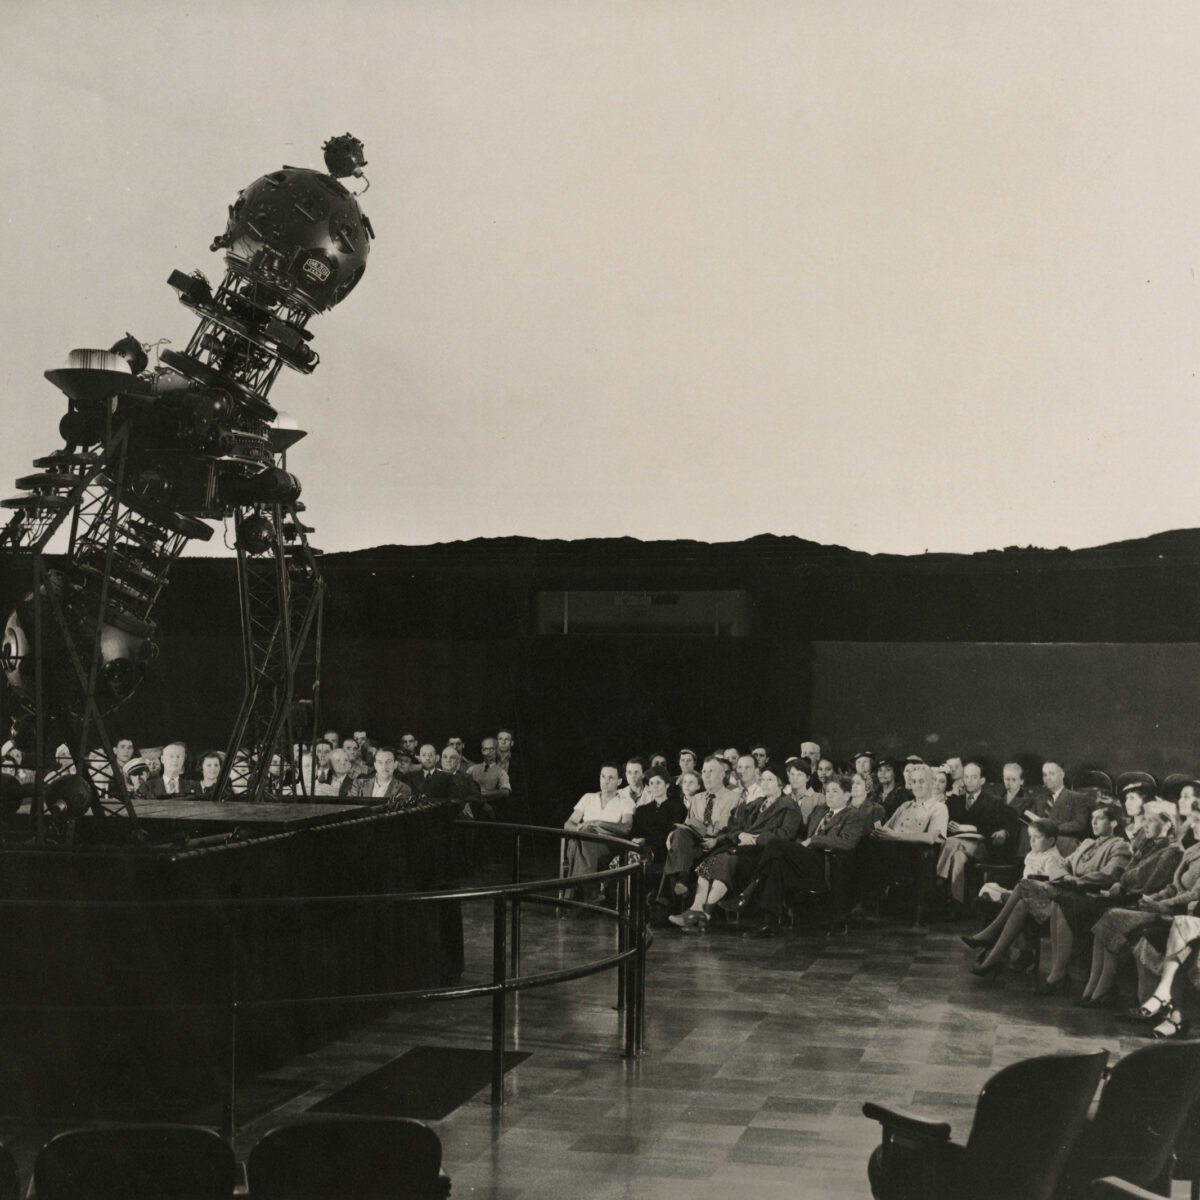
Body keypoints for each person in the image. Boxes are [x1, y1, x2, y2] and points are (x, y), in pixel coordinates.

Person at [967, 804, 1131, 989]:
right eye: (1092, 817)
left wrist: (1076, 881)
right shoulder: (1087, 843)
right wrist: (1066, 877)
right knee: (1022, 903)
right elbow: (1062, 864)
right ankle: (991, 958)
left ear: (1114, 822)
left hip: (1087, 899)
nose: (1093, 821)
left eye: (1099, 818)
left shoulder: (1120, 846)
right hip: (1066, 892)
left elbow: (1109, 875)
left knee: (1023, 885)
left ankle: (991, 937)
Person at [1078, 807, 1192, 1007]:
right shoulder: (1147, 846)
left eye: (1151, 821)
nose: (1144, 825)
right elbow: (1129, 874)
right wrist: (1127, 880)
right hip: (1145, 900)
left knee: (1110, 916)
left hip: (1158, 907)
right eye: (1144, 820)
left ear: (1167, 824)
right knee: (1103, 919)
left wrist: (1126, 882)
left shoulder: (1172, 851)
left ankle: (1102, 990)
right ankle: (1093, 987)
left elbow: (1149, 883)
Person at [670, 765, 801, 933]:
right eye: (763, 780)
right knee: (712, 861)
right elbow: (733, 827)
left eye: (770, 780)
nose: (765, 783)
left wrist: (755, 839)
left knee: (724, 861)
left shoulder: (788, 805)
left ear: (781, 784)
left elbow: (786, 834)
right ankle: (697, 911)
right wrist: (740, 836)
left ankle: (704, 914)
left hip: (762, 855)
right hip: (740, 848)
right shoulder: (755, 804)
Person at [740, 773, 870, 939]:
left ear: (847, 795)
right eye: (827, 790)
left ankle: (750, 887)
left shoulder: (853, 815)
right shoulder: (819, 810)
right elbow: (801, 834)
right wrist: (803, 843)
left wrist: (813, 841)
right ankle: (770, 924)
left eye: (835, 791)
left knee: (774, 844)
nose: (829, 794)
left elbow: (847, 843)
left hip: (826, 863)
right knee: (776, 864)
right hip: (805, 860)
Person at [660, 755, 742, 909]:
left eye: (711, 771)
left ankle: (665, 902)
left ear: (722, 774)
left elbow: (736, 830)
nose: (706, 775)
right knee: (677, 838)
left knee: (676, 854)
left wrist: (717, 840)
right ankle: (681, 880)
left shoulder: (735, 799)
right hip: (696, 845)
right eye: (704, 771)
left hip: (719, 846)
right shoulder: (696, 799)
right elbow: (686, 826)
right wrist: (672, 834)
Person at [936, 761, 1011, 912]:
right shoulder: (954, 801)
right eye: (966, 777)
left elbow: (1005, 826)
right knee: (957, 856)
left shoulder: (994, 802)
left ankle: (939, 876)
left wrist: (970, 828)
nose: (969, 781)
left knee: (952, 842)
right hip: (959, 848)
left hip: (982, 848)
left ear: (982, 780)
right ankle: (957, 904)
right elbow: (945, 827)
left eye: (974, 777)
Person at [563, 764, 635, 901]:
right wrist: (582, 829)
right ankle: (590, 893)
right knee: (578, 840)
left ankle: (571, 895)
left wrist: (599, 823)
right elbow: (568, 824)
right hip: (586, 842)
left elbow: (626, 827)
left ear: (619, 781)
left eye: (610, 778)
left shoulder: (626, 801)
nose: (605, 781)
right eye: (603, 776)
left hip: (608, 846)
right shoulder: (588, 798)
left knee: (574, 845)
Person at [630, 767, 686, 867]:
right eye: (651, 783)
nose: (654, 787)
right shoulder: (642, 810)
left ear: (667, 785)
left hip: (666, 852)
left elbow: (672, 833)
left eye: (658, 783)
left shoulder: (678, 806)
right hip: (641, 851)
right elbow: (635, 833)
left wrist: (646, 840)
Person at [347, 747, 414, 804]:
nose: (384, 766)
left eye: (388, 762)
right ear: (375, 765)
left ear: (395, 764)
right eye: (380, 762)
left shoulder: (403, 789)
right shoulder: (359, 784)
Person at [467, 737, 512, 810]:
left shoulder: (501, 772)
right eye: (485, 749)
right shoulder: (472, 769)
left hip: (491, 809)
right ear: (482, 751)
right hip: (472, 809)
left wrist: (482, 795)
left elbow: (505, 792)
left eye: (492, 749)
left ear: (497, 751)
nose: (488, 753)